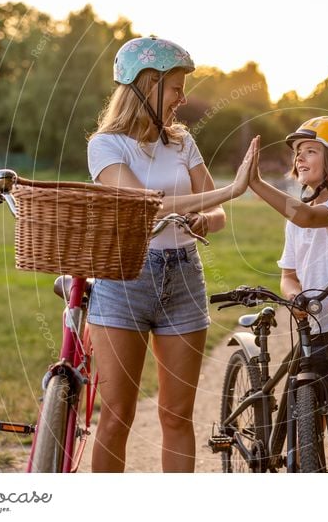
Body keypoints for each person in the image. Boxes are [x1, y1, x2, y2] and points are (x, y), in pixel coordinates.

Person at [85, 35, 255, 472]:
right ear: (147, 84)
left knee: (176, 415)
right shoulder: (106, 146)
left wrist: (209, 216)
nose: (183, 97)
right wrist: (230, 190)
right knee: (117, 415)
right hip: (125, 278)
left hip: (183, 277)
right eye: (176, 87)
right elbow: (146, 204)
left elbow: (213, 212)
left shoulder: (182, 142)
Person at [246, 116, 328, 472]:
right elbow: (288, 276)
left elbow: (306, 215)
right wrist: (294, 296)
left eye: (310, 150)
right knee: (309, 427)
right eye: (297, 153)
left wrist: (255, 183)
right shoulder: (295, 219)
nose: (299, 159)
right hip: (314, 333)